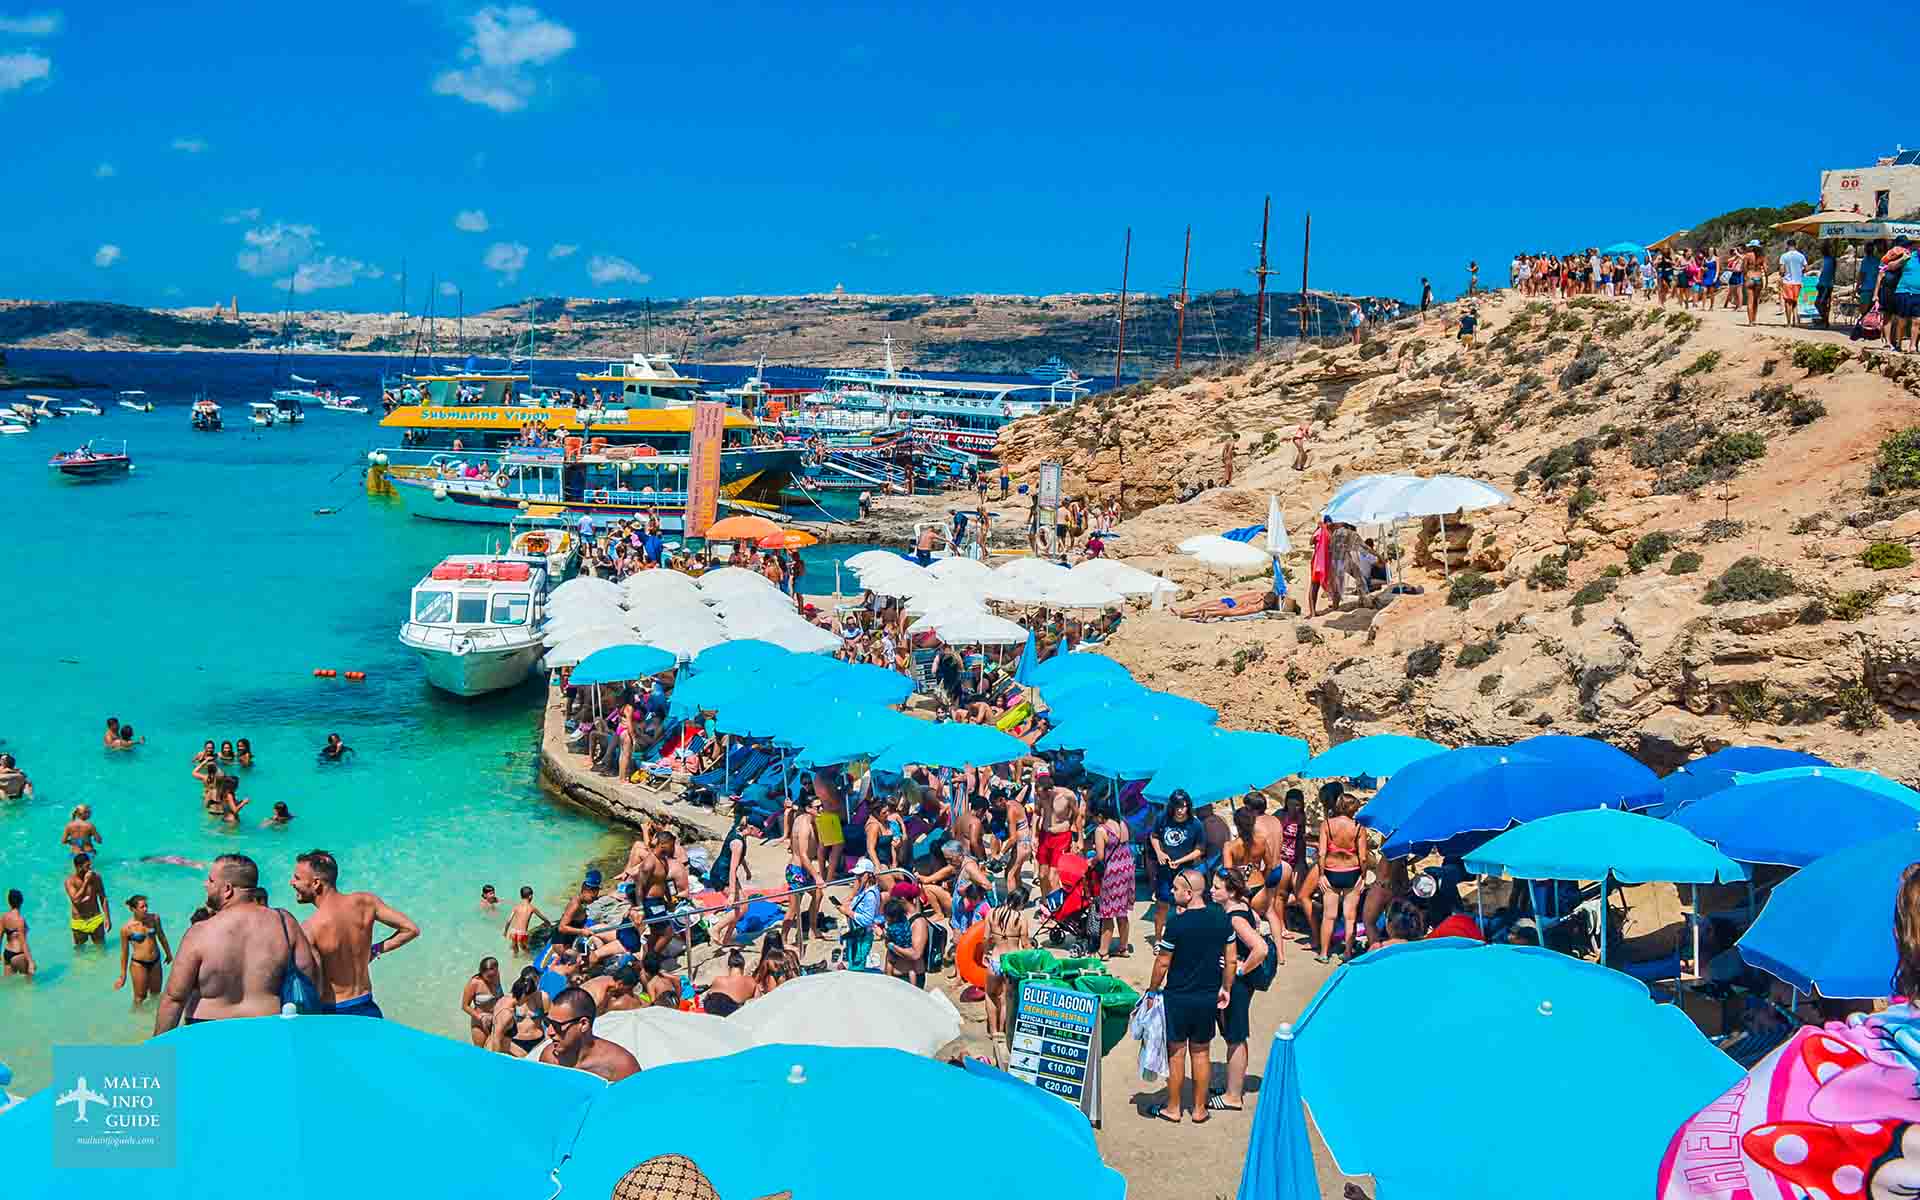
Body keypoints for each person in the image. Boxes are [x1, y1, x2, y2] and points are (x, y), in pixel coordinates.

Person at [155, 853, 325, 1031]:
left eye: (211, 880)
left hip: (209, 1030)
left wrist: (155, 1053)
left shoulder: (199, 932)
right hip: (268, 1028)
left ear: (227, 889)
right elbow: (308, 976)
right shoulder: (284, 922)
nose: (205, 885)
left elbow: (174, 998)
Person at [1148, 869, 1235, 1124]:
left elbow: (1162, 963)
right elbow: (1230, 959)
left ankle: (1173, 1108)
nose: (1172, 893)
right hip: (1207, 997)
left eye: (1175, 889)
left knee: (1176, 1054)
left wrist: (1152, 990)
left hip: (1177, 997)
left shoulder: (1176, 924)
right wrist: (1226, 988)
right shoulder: (1221, 919)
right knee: (1201, 1053)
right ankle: (1199, 1109)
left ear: (1189, 893)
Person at [291, 848, 420, 1018]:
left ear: (316, 883)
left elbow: (315, 986)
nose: (291, 882)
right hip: (367, 1006)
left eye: (297, 878)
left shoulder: (310, 928)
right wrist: (375, 950)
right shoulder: (365, 902)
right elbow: (411, 929)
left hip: (334, 1013)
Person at [1212, 868, 1270, 1112]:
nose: (1211, 891)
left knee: (1235, 1036)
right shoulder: (1243, 906)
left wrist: (1239, 969)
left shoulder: (1234, 917)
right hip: (1236, 984)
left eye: (1216, 887)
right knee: (1232, 1035)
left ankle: (1233, 1096)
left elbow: (1261, 948)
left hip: (1237, 985)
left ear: (1231, 891)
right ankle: (1232, 1085)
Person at [537, 987, 640, 1082]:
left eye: (557, 1026)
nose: (549, 1032)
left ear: (583, 1024)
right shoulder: (549, 1058)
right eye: (547, 1022)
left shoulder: (622, 1066)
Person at [1316, 793, 1369, 963]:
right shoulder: (1359, 827)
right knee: (1350, 917)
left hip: (1331, 871)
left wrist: (1321, 874)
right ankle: (1347, 953)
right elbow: (1363, 857)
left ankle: (1324, 954)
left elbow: (1322, 852)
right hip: (1352, 871)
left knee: (1328, 916)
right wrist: (1363, 876)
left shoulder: (1327, 825)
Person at [1149, 791, 1206, 943]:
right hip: (1165, 870)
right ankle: (1158, 939)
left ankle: (1182, 939)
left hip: (1185, 871)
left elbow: (1199, 850)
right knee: (1162, 905)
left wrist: (1181, 860)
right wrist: (1159, 852)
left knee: (1184, 907)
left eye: (1184, 807)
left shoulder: (1195, 824)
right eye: (1178, 807)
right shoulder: (1162, 818)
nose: (1181, 810)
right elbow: (1154, 836)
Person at [1091, 797, 1135, 958]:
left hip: (1113, 874)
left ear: (1100, 815)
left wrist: (1091, 860)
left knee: (1108, 913)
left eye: (1095, 817)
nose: (1095, 820)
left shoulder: (1101, 830)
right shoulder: (1123, 824)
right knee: (1122, 912)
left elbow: (1101, 856)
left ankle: (1103, 951)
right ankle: (1123, 948)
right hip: (1127, 870)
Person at [114, 894, 174, 1005]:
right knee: (140, 998)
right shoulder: (126, 929)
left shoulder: (154, 918)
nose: (146, 909)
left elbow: (161, 936)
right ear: (133, 909)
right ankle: (135, 1020)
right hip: (139, 964)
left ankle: (151, 1018)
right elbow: (124, 953)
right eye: (142, 907)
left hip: (155, 961)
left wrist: (168, 953)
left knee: (156, 994)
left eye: (146, 906)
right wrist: (123, 976)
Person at [66, 853, 110, 947]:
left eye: (90, 865)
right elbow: (75, 900)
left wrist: (107, 918)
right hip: (79, 921)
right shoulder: (70, 881)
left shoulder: (96, 877)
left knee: (101, 948)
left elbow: (103, 897)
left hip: (95, 918)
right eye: (87, 866)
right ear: (78, 867)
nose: (90, 868)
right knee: (80, 949)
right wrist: (86, 882)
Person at [462, 956, 504, 1046]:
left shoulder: (496, 975)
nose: (492, 978)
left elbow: (500, 995)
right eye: (489, 976)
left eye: (494, 975)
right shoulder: (474, 983)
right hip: (480, 1022)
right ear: (482, 973)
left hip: (497, 1019)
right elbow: (465, 1006)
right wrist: (480, 1017)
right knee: (481, 1051)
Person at [703, 948, 757, 1015]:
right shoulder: (751, 981)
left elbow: (708, 996)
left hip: (716, 1012)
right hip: (735, 1012)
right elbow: (758, 998)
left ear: (729, 967)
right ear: (743, 967)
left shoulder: (719, 980)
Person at [504, 885, 551, 957]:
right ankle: (530, 960)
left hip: (513, 932)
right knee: (526, 949)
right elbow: (543, 918)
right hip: (522, 933)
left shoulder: (516, 906)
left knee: (515, 950)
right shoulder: (531, 907)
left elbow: (508, 921)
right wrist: (548, 923)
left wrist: (505, 931)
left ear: (521, 896)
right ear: (530, 896)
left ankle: (515, 960)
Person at [2, 888, 34, 977]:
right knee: (29, 982)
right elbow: (23, 943)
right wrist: (30, 962)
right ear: (21, 902)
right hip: (18, 954)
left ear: (9, 902)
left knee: (7, 983)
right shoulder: (20, 920)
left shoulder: (3, 917)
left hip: (7, 953)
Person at [1779, 240, 1808, 328]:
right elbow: (1806, 268)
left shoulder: (1784, 256)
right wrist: (1800, 272)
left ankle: (1788, 324)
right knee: (1795, 302)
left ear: (1787, 245)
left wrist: (1782, 274)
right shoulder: (1801, 256)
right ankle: (1795, 322)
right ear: (1795, 245)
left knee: (1788, 302)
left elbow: (1782, 270)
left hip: (1787, 281)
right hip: (1797, 281)